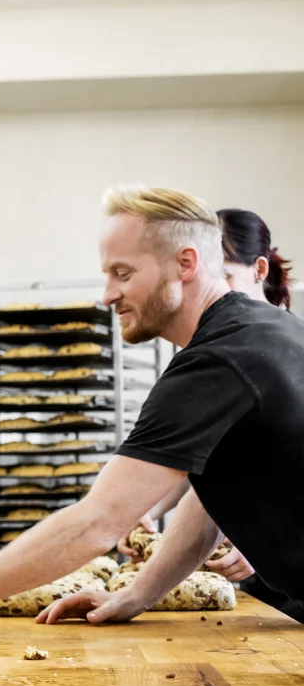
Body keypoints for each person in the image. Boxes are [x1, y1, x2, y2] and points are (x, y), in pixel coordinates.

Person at [0, 186, 304, 638]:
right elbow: (209, 500)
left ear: (185, 263)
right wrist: (138, 593)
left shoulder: (216, 361)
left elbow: (97, 522)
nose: (108, 295)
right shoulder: (271, 330)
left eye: (123, 273)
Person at [117, 207, 297, 617]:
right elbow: (202, 464)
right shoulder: (212, 354)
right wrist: (146, 509)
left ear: (259, 270)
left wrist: (261, 537)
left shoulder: (281, 354)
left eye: (225, 279)